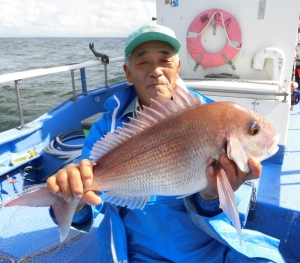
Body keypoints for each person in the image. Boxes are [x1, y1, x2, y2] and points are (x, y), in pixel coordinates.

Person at [47, 24, 284, 262]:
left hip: (207, 246)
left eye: (165, 61)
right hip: (138, 251)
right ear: (128, 73)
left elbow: (223, 216)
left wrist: (211, 196)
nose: (156, 71)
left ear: (178, 68)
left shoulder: (211, 116)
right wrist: (73, 202)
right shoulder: (105, 129)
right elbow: (90, 207)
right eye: (143, 63)